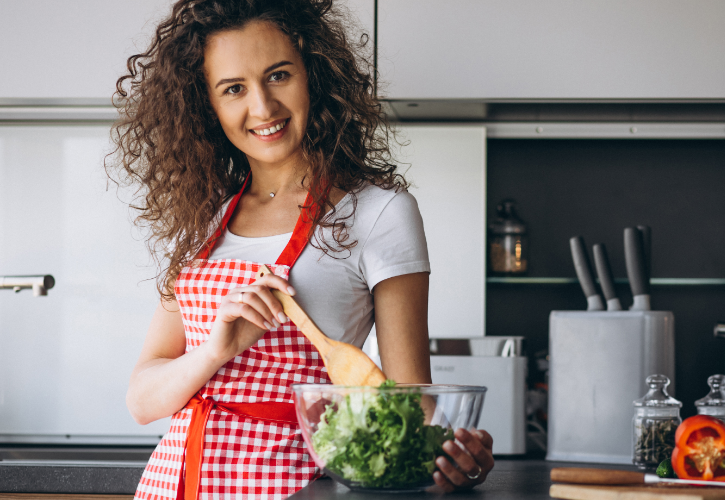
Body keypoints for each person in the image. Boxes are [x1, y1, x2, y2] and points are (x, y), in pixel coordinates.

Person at [107, 0, 494, 498]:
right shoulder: (204, 218)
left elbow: (408, 401)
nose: (263, 107)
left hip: (295, 486)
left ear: (313, 73)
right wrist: (215, 352)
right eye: (234, 89)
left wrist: (455, 455)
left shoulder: (379, 213)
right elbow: (143, 400)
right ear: (207, 104)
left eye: (279, 75)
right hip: (176, 480)